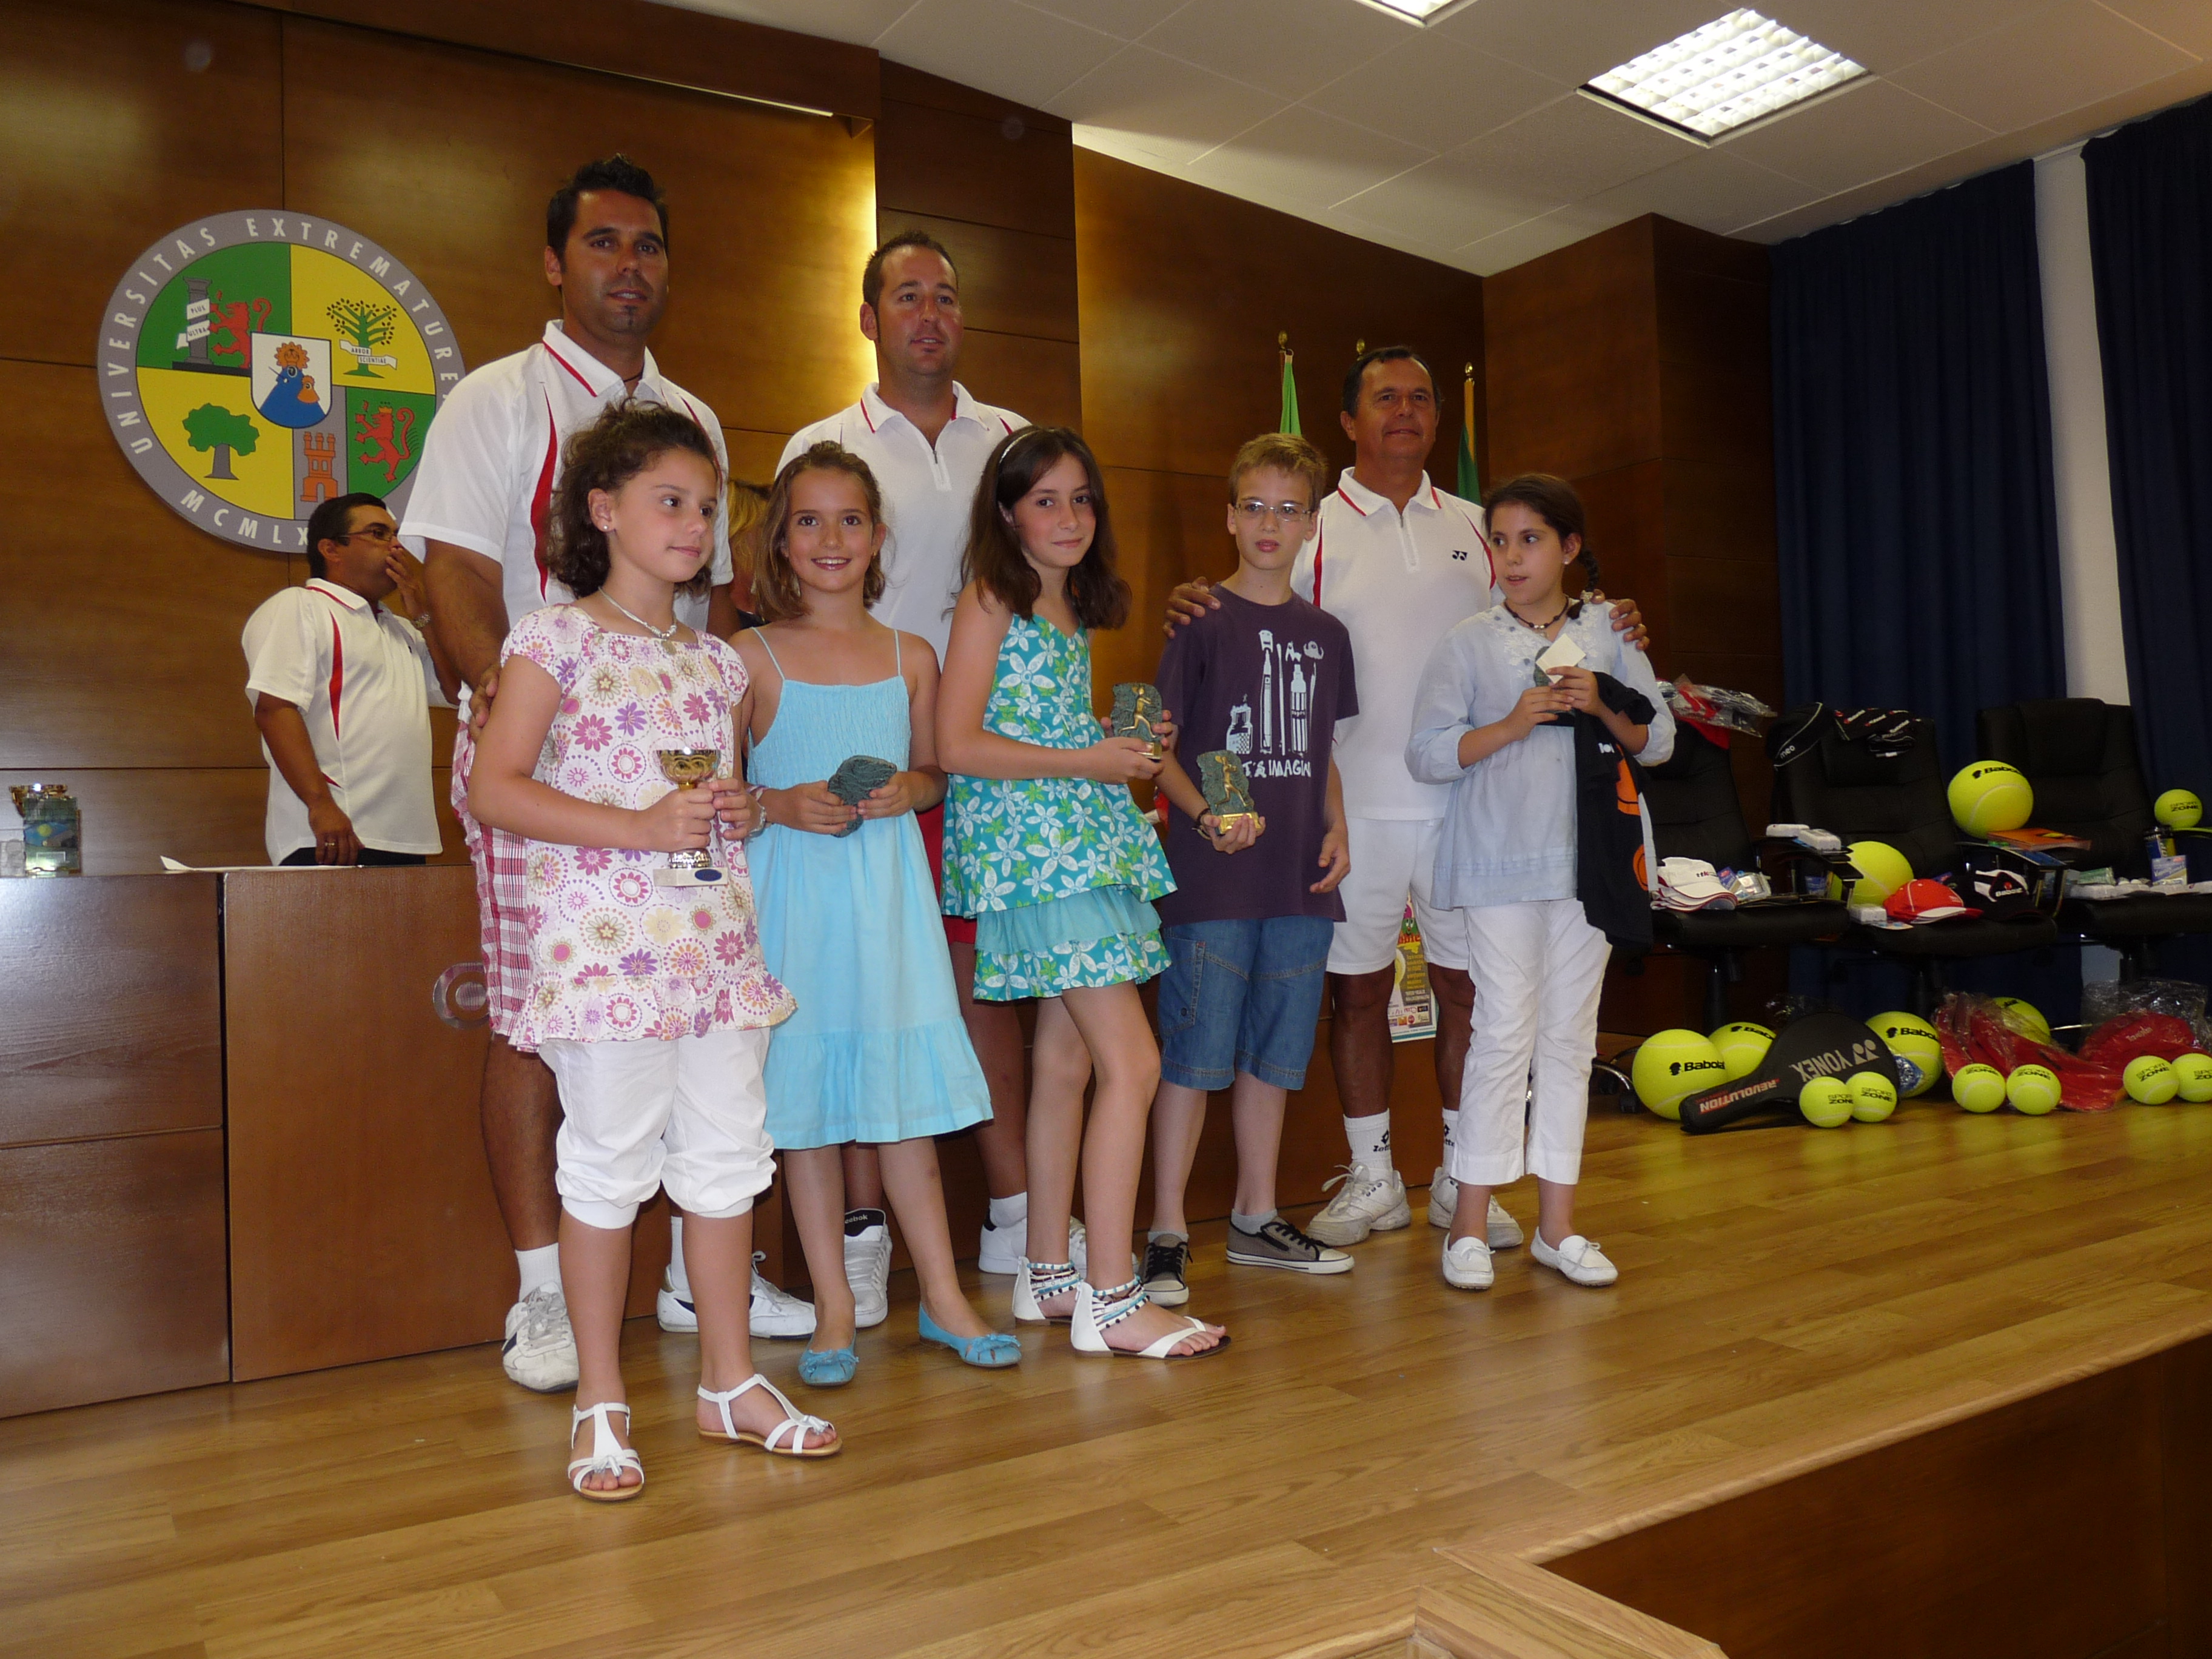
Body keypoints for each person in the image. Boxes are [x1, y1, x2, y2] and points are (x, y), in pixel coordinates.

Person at [406, 156, 793, 1393]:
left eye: (649, 245)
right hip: (541, 742)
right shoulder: (494, 398)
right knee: (546, 1015)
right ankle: (544, 1293)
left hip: (666, 754)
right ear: (554, 262)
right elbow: (454, 572)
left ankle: (697, 1276)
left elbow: (713, 604)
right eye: (603, 242)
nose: (630, 265)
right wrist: (535, 709)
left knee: (693, 1007)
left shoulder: (692, 415)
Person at [1165, 346, 1644, 1253]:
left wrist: (1616, 621)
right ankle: (1375, 1174)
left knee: (1470, 996)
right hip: (1351, 812)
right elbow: (1250, 603)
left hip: (1471, 808)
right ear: (1349, 421)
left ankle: (1464, 1178)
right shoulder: (1312, 526)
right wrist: (1192, 600)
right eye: (1385, 398)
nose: (1407, 411)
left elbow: (1542, 611)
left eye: (1422, 398)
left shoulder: (1478, 526)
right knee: (1357, 995)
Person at [467, 400, 835, 1501]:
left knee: (727, 1160)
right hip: (607, 955)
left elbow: (715, 804)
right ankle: (601, 1399)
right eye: (669, 501)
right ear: (603, 510)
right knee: (608, 1166)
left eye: (707, 508)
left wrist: (743, 807)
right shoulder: (552, 639)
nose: (693, 525)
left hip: (712, 949)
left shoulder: (718, 664)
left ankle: (729, 1382)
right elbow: (496, 789)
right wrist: (634, 829)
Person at [776, 232, 1047, 1310]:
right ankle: (861, 1230)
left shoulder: (1012, 437)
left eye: (944, 296)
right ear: (867, 317)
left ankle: (1016, 1218)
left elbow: (1064, 566)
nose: (928, 314)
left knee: (982, 982)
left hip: (990, 751)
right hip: (872, 755)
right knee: (855, 982)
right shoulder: (822, 442)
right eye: (905, 296)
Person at [734, 441, 1019, 1386]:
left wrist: (913, 789)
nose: (831, 538)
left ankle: (942, 1295)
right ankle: (833, 1306)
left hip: (889, 908)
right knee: (808, 1115)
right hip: (795, 909)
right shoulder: (748, 658)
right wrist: (780, 804)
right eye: (809, 521)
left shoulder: (912, 657)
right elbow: (722, 797)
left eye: (850, 520)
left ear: (879, 536)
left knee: (904, 1110)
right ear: (781, 540)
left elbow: (938, 770)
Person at [937, 426, 1224, 1360]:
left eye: (1082, 499)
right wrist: (1089, 759)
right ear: (1007, 512)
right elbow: (955, 744)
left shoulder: (1070, 607)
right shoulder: (992, 596)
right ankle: (1113, 1297)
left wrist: (1113, 743)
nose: (1069, 517)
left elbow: (1038, 728)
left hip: (1074, 842)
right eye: (1045, 500)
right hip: (1041, 852)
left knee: (1067, 1064)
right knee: (1133, 1066)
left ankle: (1048, 1276)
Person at [1406, 475, 1671, 1292]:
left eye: (1531, 539)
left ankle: (1559, 1228)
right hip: (1498, 864)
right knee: (1501, 1034)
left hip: (1596, 866)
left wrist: (1606, 706)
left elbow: (1658, 740)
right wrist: (1511, 723)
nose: (1513, 557)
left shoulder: (1609, 632)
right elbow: (1427, 753)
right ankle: (1470, 1227)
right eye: (1500, 540)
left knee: (1570, 1041)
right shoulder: (1467, 642)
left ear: (1570, 547)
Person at [1141, 434, 1356, 1307]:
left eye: (1289, 509)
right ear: (1230, 517)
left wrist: (1339, 826)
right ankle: (1164, 1232)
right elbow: (1154, 751)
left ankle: (1256, 1216)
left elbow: (1323, 748)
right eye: (1255, 506)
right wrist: (1204, 816)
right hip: (1212, 883)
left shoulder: (1327, 634)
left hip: (1300, 881)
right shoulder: (1199, 621)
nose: (1271, 523)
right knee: (1192, 1059)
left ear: (1311, 524)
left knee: (1275, 1057)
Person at [242, 492, 459, 866]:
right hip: (331, 833)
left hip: (405, 838)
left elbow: (455, 692)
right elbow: (274, 709)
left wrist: (422, 613)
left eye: (396, 535)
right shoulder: (300, 606)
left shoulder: (402, 629)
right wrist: (321, 805)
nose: (396, 546)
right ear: (331, 549)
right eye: (378, 534)